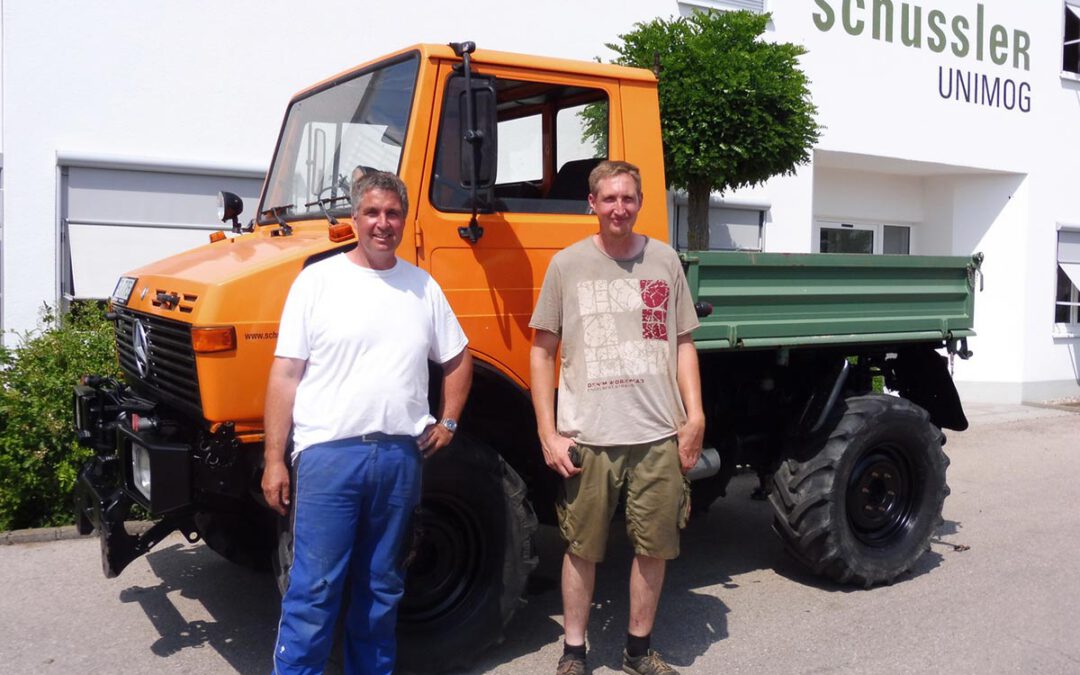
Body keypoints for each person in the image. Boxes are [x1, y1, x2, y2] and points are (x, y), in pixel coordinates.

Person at [262, 171, 473, 674]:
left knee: (381, 590)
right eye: (372, 212)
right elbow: (285, 374)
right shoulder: (318, 281)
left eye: (392, 213)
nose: (383, 223)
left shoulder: (422, 287)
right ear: (354, 218)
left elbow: (459, 358)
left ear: (404, 219)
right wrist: (274, 459)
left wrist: (448, 421)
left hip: (400, 458)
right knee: (314, 590)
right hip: (328, 457)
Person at [529, 160, 705, 675]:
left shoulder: (665, 261)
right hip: (590, 437)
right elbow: (541, 352)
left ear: (640, 203)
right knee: (582, 549)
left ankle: (637, 651)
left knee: (653, 549)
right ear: (592, 204)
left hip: (657, 436)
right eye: (609, 199)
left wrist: (694, 417)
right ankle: (574, 653)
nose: (619, 208)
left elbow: (683, 344)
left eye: (628, 198)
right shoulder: (567, 266)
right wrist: (548, 432)